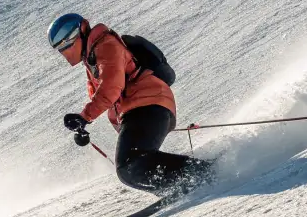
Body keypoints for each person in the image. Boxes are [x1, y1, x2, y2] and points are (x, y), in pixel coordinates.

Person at [48, 13, 212, 193]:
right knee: (131, 167)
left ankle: (204, 174)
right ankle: (184, 184)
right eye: (59, 48)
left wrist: (84, 117)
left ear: (78, 34)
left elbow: (111, 88)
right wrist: (83, 126)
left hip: (148, 106)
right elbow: (111, 101)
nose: (63, 51)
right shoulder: (92, 58)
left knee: (129, 165)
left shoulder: (105, 45)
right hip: (144, 110)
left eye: (66, 43)